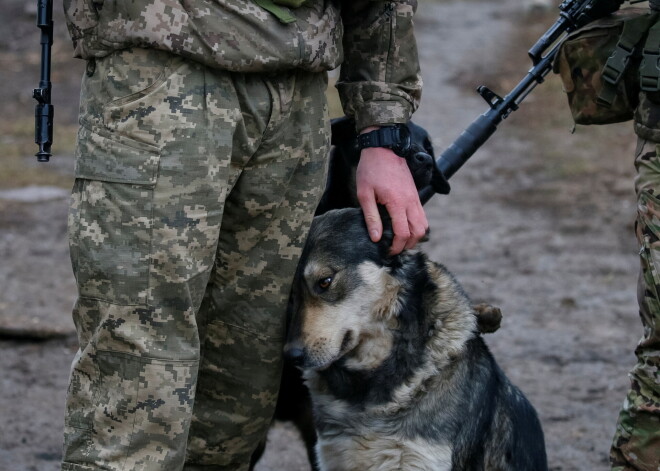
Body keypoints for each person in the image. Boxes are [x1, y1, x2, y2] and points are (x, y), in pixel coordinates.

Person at [60, 0, 428, 469]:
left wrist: (381, 129)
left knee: (241, 380)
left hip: (296, 95)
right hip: (163, 72)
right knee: (136, 363)